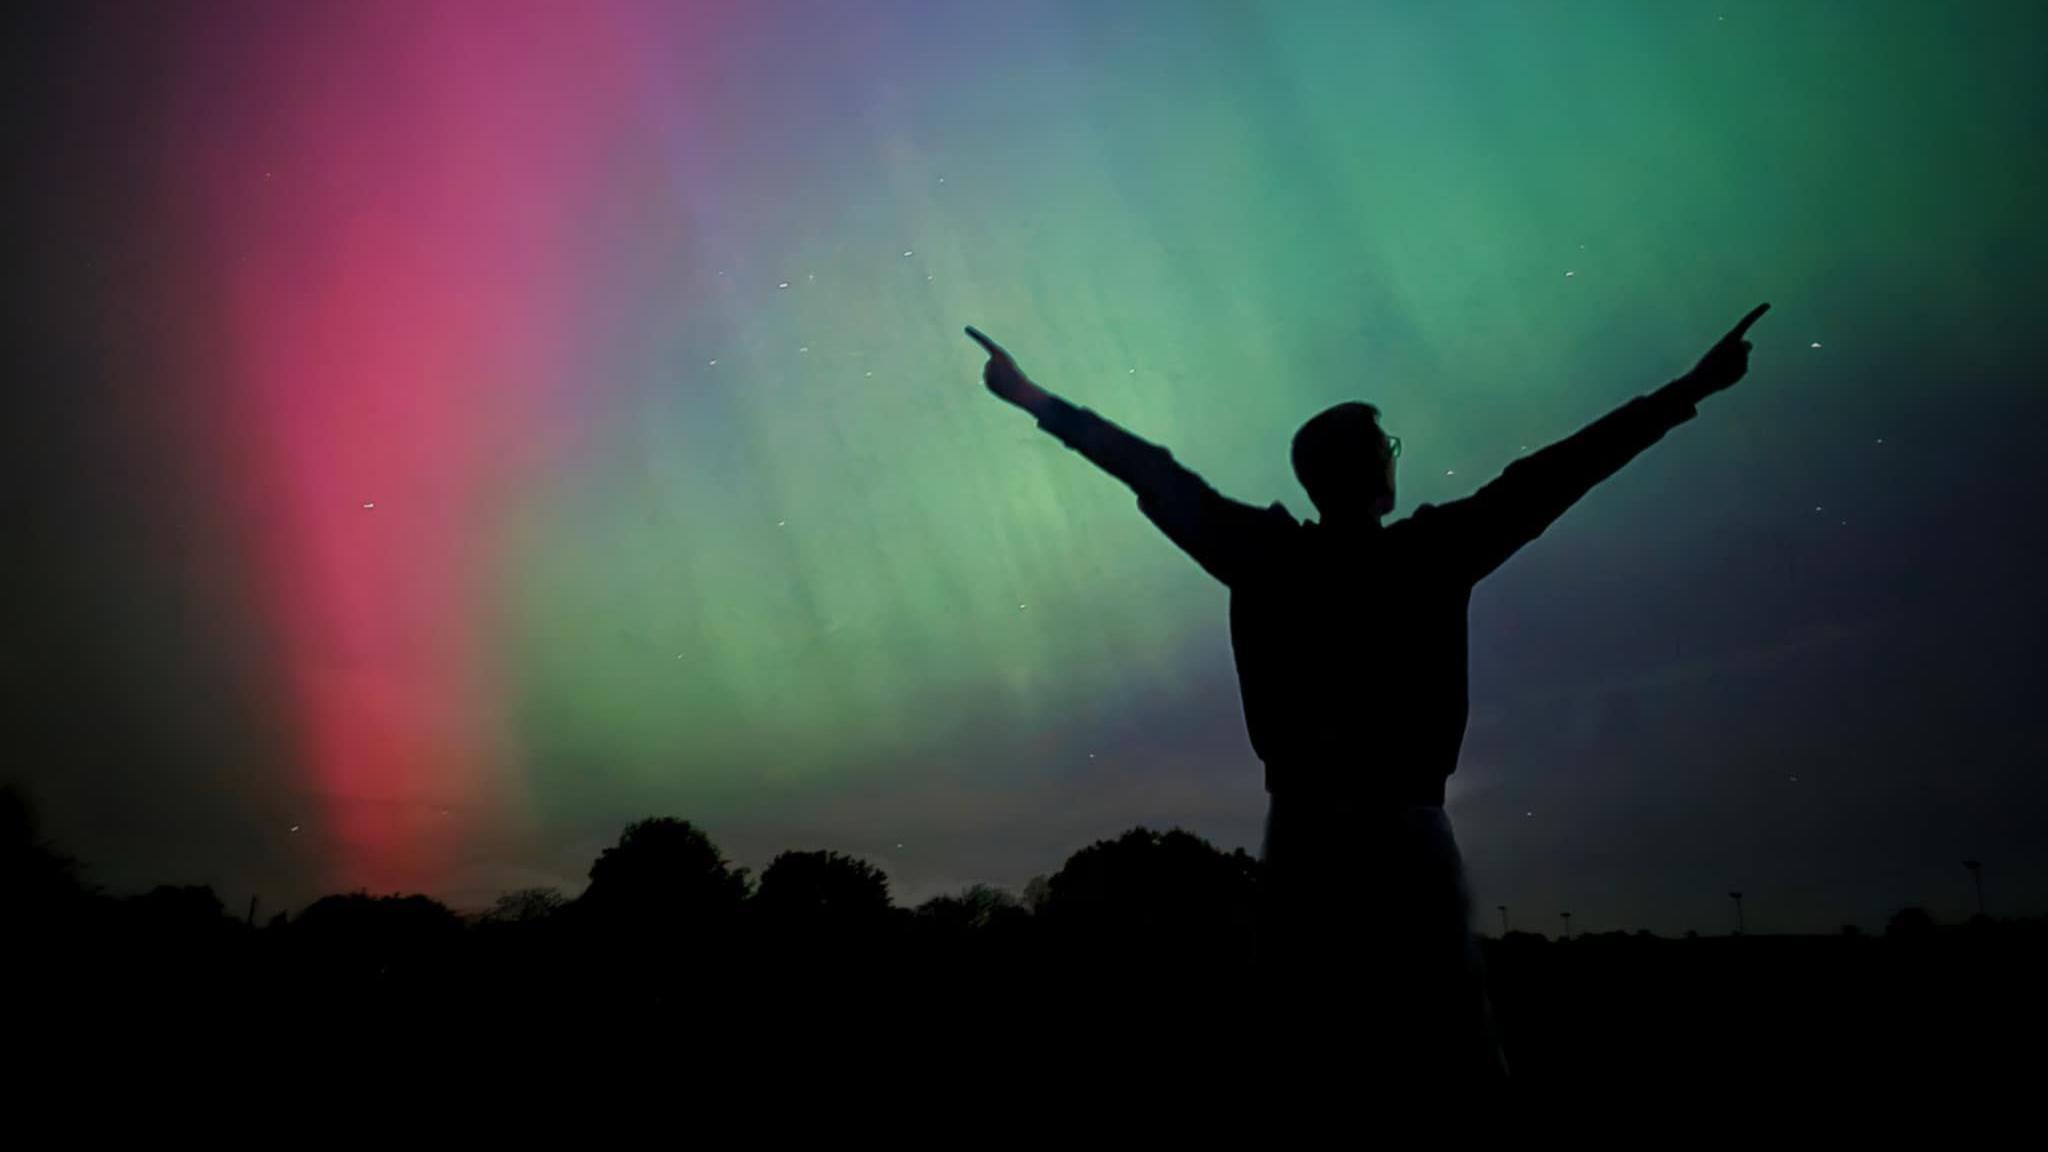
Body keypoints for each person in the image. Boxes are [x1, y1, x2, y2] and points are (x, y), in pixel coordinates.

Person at [966, 303, 1770, 1086]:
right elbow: (1556, 474)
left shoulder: (1267, 555)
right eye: (1387, 447)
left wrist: (1035, 399)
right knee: (1448, 1046)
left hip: (1306, 834)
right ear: (1376, 467)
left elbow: (1152, 472)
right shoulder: (1430, 553)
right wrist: (1686, 389)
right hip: (1408, 828)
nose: (1394, 456)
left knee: (1306, 1045)